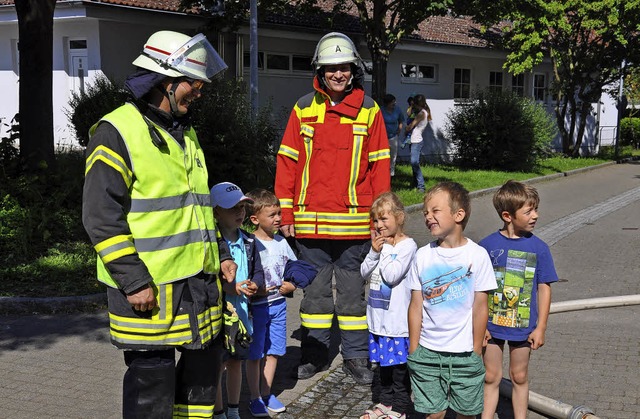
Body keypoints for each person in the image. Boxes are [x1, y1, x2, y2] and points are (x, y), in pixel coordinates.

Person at [82, 30, 235, 418]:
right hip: (149, 288)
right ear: (165, 82)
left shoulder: (183, 130)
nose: (198, 93)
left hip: (198, 285)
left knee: (201, 379)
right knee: (152, 380)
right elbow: (100, 217)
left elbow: (198, 205)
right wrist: (133, 281)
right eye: (193, 85)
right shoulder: (115, 132)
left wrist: (221, 254)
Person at [275, 31, 391, 384]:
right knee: (315, 298)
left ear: (353, 70)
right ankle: (315, 355)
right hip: (310, 228)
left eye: (344, 67)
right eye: (331, 68)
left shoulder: (369, 111)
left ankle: (356, 356)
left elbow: (380, 167)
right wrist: (287, 213)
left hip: (355, 226)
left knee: (354, 299)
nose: (338, 74)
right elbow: (288, 162)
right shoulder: (303, 109)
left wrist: (381, 220)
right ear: (320, 72)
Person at [406, 181, 497, 419]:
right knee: (433, 414)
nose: (428, 217)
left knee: (466, 414)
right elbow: (416, 306)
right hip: (427, 352)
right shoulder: (422, 255)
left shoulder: (477, 256)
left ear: (459, 215)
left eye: (435, 211)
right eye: (426, 212)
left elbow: (480, 307)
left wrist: (476, 350)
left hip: (465, 353)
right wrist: (414, 349)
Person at [479, 180, 558, 419]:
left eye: (536, 209)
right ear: (507, 215)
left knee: (519, 376)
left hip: (523, 328)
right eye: (529, 211)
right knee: (491, 377)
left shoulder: (539, 248)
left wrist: (541, 327)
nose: (536, 215)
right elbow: (479, 290)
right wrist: (479, 326)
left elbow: (544, 288)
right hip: (490, 327)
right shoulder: (487, 246)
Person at [360, 192, 417, 419]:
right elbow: (364, 272)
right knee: (383, 367)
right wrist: (374, 251)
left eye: (384, 219)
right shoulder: (379, 246)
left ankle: (401, 407)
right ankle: (385, 403)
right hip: (378, 320)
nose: (379, 225)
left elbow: (392, 275)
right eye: (376, 220)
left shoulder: (407, 246)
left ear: (399, 217)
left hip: (397, 322)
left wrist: (385, 250)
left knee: (399, 370)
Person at [210, 182, 264, 419]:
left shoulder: (250, 241)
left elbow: (259, 272)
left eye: (242, 207)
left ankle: (233, 409)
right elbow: (207, 279)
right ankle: (218, 411)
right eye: (233, 208)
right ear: (215, 212)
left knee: (235, 363)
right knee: (217, 365)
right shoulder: (211, 242)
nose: (239, 212)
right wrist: (230, 288)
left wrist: (256, 284)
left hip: (242, 315)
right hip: (219, 316)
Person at [245, 188, 298, 415]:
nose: (278, 219)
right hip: (256, 308)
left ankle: (266, 393)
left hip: (278, 305)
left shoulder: (281, 242)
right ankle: (254, 396)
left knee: (274, 350)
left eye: (279, 213)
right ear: (255, 219)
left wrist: (292, 285)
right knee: (255, 353)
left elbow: (294, 269)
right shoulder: (249, 243)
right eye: (273, 215)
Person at [404, 94, 432, 193]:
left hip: (416, 140)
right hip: (414, 139)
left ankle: (421, 186)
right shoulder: (423, 112)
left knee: (414, 162)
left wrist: (406, 128)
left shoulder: (421, 114)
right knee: (413, 164)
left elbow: (411, 126)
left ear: (416, 103)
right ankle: (415, 183)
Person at [380, 94, 406, 177]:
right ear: (387, 103)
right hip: (383, 137)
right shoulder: (381, 110)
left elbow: (401, 120)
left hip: (393, 136)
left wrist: (399, 130)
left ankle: (392, 173)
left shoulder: (397, 110)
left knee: (393, 155)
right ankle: (383, 171)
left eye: (394, 102)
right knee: (383, 155)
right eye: (392, 103)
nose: (394, 104)